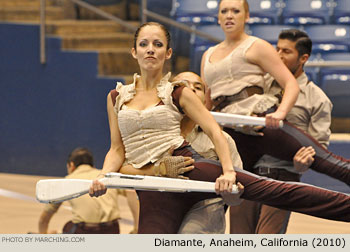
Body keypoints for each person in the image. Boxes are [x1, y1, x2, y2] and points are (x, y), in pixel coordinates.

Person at [89, 22, 350, 234]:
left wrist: (228, 173)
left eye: (158, 45)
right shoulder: (116, 97)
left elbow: (216, 131)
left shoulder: (178, 92)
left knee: (272, 190)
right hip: (153, 187)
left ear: (168, 53)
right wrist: (102, 176)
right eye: (143, 44)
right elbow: (116, 149)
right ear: (133, 51)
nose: (150, 50)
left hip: (189, 167)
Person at [200, 0, 350, 185]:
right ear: (218, 17)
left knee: (325, 161)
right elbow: (207, 100)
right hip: (231, 130)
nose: (229, 15)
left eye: (236, 11)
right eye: (224, 11)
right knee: (229, 188)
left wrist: (280, 113)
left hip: (258, 121)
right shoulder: (207, 54)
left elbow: (290, 83)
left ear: (246, 16)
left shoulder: (256, 45)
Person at [229, 29, 334, 234]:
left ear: (303, 58)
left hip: (283, 177)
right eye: (276, 49)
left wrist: (302, 165)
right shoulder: (260, 84)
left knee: (268, 240)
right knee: (238, 240)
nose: (278, 55)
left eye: (286, 51)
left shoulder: (318, 99)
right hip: (246, 173)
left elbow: (319, 148)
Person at [38, 147, 139, 234]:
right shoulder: (107, 178)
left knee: (67, 227)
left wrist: (44, 235)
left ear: (71, 165)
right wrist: (136, 229)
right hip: (111, 230)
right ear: (92, 165)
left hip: (85, 231)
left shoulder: (67, 181)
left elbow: (44, 219)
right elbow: (131, 192)